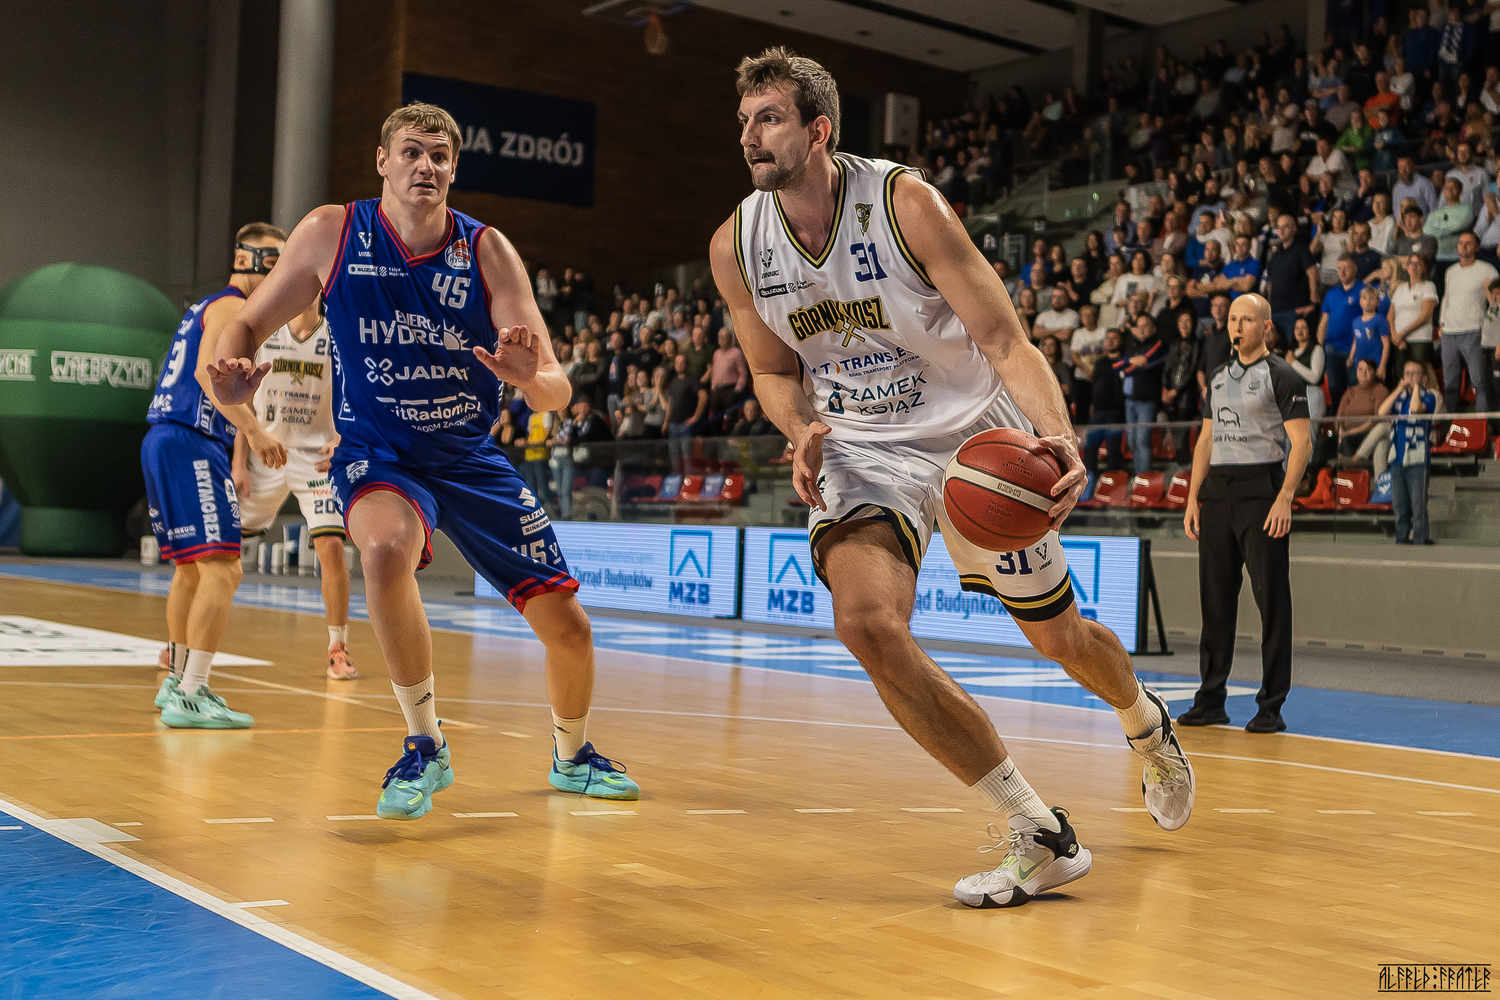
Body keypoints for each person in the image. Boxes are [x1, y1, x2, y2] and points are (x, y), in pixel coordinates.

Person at [711, 47, 1194, 910]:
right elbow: (773, 370)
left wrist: (1058, 437)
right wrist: (799, 429)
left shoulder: (906, 206)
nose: (750, 136)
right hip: (863, 447)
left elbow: (1006, 340)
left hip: (976, 443)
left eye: (770, 119)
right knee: (865, 624)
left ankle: (1144, 721)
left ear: (818, 131)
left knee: (1060, 639)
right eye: (745, 120)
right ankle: (1036, 830)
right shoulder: (736, 246)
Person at [209, 103, 639, 820]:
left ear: (454, 169)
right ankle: (425, 744)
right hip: (379, 454)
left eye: (440, 156)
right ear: (382, 161)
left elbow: (557, 391)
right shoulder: (332, 232)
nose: (426, 167)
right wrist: (233, 378)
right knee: (382, 551)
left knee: (569, 627)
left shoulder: (488, 252)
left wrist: (529, 379)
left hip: (468, 457)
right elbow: (248, 323)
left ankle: (573, 756)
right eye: (411, 152)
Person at [144, 223, 289, 728]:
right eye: (275, 262)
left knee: (191, 570)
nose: (281, 274)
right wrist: (256, 430)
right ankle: (192, 692)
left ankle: (176, 681)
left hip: (165, 438)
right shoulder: (231, 308)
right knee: (225, 568)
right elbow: (209, 376)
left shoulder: (207, 306)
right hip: (191, 438)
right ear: (247, 260)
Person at [1182, 293, 1311, 734]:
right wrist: (1193, 497)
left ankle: (1271, 705)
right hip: (1218, 493)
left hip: (1262, 492)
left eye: (1247, 320)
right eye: (1233, 319)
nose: (1237, 327)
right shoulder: (1218, 376)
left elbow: (1303, 442)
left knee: (1271, 600)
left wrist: (1286, 496)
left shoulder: (1283, 375)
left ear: (1266, 327)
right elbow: (1205, 440)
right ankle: (1210, 700)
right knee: (1215, 601)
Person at [232, 294, 356, 680]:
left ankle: (337, 647)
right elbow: (242, 401)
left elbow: (359, 395)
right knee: (219, 546)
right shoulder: (266, 334)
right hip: (266, 451)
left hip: (315, 457)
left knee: (331, 547)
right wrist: (239, 462)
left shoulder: (337, 336)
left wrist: (344, 439)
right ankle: (182, 639)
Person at [1378, 361, 1438, 545]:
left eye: (1415, 373)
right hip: (1397, 459)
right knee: (1399, 506)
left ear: (1424, 377)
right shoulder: (1399, 398)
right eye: (1407, 373)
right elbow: (1381, 412)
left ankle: (1420, 539)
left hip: (1418, 459)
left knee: (1418, 506)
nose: (1410, 376)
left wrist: (1417, 387)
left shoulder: (1429, 397)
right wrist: (1398, 389)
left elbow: (1415, 409)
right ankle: (1401, 539)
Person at [1438, 232, 1498, 415]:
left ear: (1477, 247)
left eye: (1468, 243)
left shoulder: (1487, 270)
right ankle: (1451, 423)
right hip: (1449, 332)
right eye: (1460, 243)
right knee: (1450, 383)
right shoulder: (1451, 271)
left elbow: (1496, 302)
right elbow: (1446, 298)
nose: (1463, 246)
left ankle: (1482, 422)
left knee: (1479, 380)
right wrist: (1442, 323)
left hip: (1473, 331)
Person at [1316, 254, 1367, 407]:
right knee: (1334, 387)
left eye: (1346, 268)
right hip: (1331, 347)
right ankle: (1337, 417)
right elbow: (1324, 321)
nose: (1342, 272)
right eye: (1339, 268)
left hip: (1353, 348)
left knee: (1354, 386)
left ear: (1355, 269)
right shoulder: (1331, 293)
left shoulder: (1362, 290)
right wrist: (1319, 346)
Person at [1285, 317, 1329, 470]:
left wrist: (1293, 363)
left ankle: (1307, 471)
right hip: (1293, 397)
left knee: (1308, 436)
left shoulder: (1316, 350)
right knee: (1289, 438)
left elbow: (1314, 377)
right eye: (1296, 328)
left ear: (1310, 330)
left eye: (1303, 327)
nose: (1299, 331)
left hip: (1312, 395)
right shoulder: (1291, 353)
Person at [1390, 253, 1440, 372]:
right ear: (1407, 267)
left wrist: (1403, 333)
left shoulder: (1428, 286)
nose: (1414, 266)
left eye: (1418, 263)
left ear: (1424, 268)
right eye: (1411, 263)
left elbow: (1426, 316)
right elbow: (1390, 315)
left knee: (1419, 374)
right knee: (1401, 376)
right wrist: (1394, 335)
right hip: (1399, 340)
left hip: (1420, 339)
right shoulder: (1400, 288)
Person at [1336, 359, 1391, 465]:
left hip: (1368, 433)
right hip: (1345, 433)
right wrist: (1340, 431)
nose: (1363, 373)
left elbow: (1376, 420)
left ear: (1375, 372)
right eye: (1360, 369)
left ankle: (1351, 467)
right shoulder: (1350, 391)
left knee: (1347, 440)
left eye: (1368, 370)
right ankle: (1311, 474)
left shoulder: (1380, 390)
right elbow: (1339, 416)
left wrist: (1350, 432)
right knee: (1322, 443)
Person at [1163, 309, 1202, 457]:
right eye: (1181, 321)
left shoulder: (1197, 344)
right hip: (1170, 395)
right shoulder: (1174, 344)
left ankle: (1184, 463)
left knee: (1183, 434)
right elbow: (1167, 369)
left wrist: (1176, 391)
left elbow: (1192, 370)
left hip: (1186, 396)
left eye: (1187, 321)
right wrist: (1165, 389)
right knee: (1174, 432)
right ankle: (1180, 462)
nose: (1184, 325)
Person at [1070, 303, 1107, 423]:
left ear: (1096, 317)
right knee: (1081, 409)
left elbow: (1107, 352)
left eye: (1089, 315)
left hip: (1100, 376)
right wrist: (1086, 371)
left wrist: (1095, 370)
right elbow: (1075, 355)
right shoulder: (1078, 333)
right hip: (1082, 376)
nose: (1087, 318)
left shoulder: (1103, 332)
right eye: (1084, 315)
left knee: (1100, 407)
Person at [1349, 285, 1392, 382]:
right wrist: (1351, 357)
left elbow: (1386, 343)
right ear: (1360, 302)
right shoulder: (1355, 321)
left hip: (1375, 364)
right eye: (1365, 298)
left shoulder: (1380, 319)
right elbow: (1355, 341)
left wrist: (1382, 365)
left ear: (1377, 302)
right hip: (1358, 363)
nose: (1368, 301)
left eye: (1371, 298)